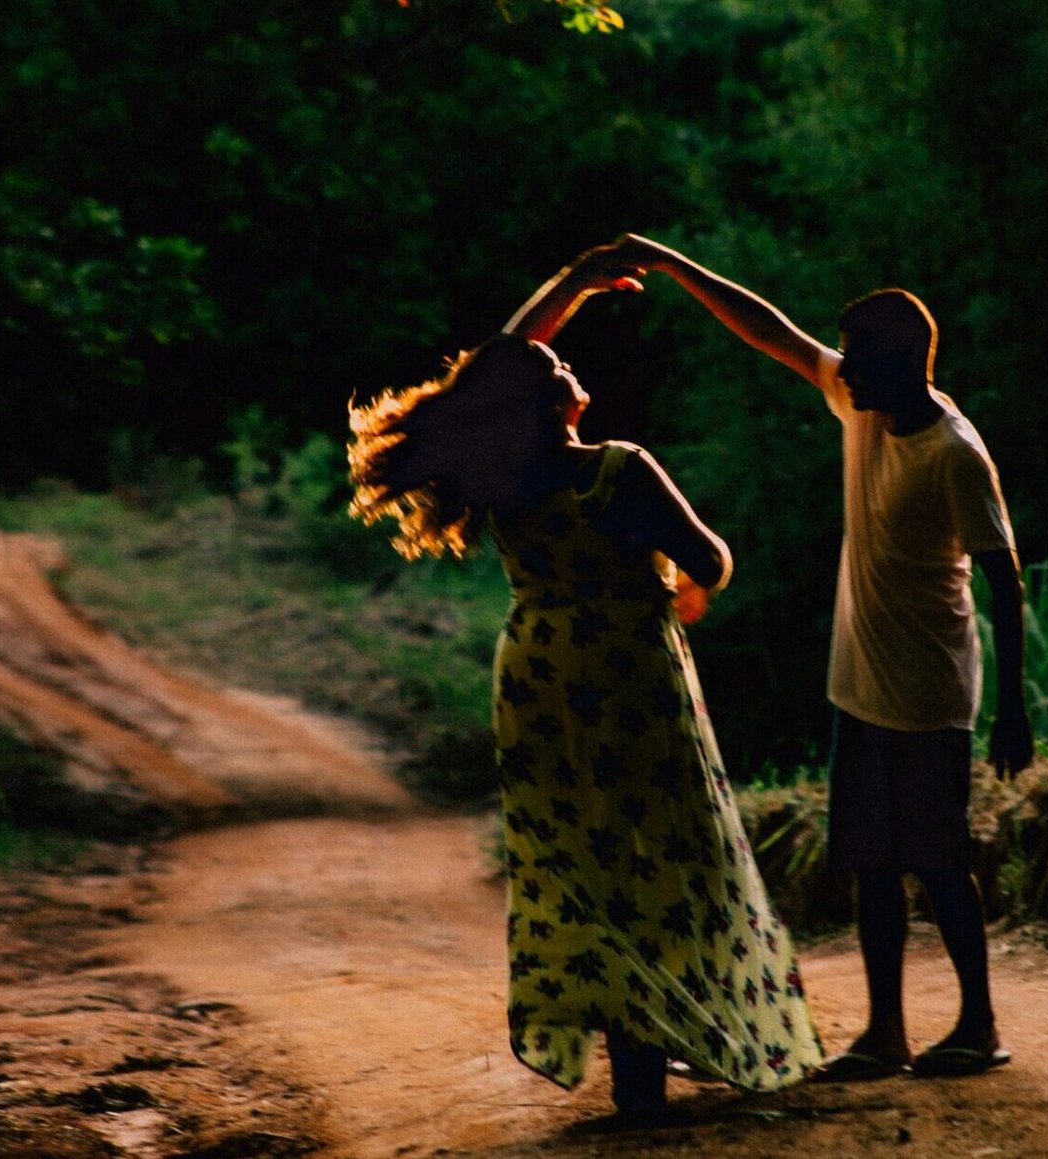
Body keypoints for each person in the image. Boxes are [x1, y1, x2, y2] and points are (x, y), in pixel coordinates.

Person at [346, 248, 823, 1125]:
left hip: (539, 674)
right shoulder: (620, 468)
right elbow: (711, 556)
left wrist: (575, 283)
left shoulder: (500, 480)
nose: (567, 360)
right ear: (556, 402)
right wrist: (688, 587)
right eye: (559, 363)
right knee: (668, 848)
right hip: (628, 669)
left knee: (584, 861)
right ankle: (671, 1034)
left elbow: (498, 367)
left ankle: (633, 1055)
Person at [600, 233, 1035, 1080]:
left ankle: (978, 1024)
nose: (844, 371)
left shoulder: (954, 453)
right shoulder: (861, 404)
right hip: (859, 684)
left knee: (939, 861)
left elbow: (1005, 581)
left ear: (905, 362)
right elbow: (770, 332)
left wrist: (1013, 705)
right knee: (871, 862)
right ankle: (884, 1034)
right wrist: (679, 268)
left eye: (861, 359)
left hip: (929, 691)